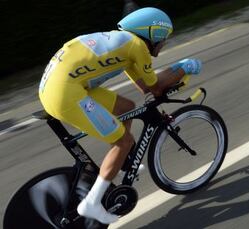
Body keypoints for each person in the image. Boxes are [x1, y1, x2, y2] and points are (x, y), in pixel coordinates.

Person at [38, 7, 202, 224]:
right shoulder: (137, 47)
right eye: (164, 38)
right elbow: (155, 87)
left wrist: (168, 78)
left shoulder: (125, 43)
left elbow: (145, 86)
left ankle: (121, 162)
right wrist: (184, 67)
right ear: (154, 34)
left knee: (126, 108)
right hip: (66, 93)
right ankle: (92, 203)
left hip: (58, 87)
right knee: (123, 141)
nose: (165, 43)